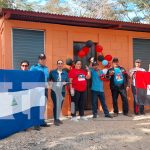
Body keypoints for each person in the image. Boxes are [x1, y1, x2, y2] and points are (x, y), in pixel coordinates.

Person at [30, 53, 50, 129]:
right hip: (37, 90)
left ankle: (41, 121)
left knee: (43, 105)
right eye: (41, 59)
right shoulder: (34, 67)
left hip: (44, 89)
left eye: (44, 59)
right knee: (37, 106)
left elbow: (47, 78)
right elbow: (30, 77)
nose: (42, 60)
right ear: (39, 60)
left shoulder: (46, 68)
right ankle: (36, 123)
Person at [49, 60, 69, 126]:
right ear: (57, 64)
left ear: (62, 65)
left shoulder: (65, 73)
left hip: (62, 91)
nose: (60, 65)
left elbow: (68, 82)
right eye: (59, 63)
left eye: (61, 63)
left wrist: (65, 83)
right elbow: (48, 80)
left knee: (60, 105)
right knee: (56, 105)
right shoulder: (52, 72)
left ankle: (57, 118)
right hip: (55, 91)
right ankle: (55, 120)